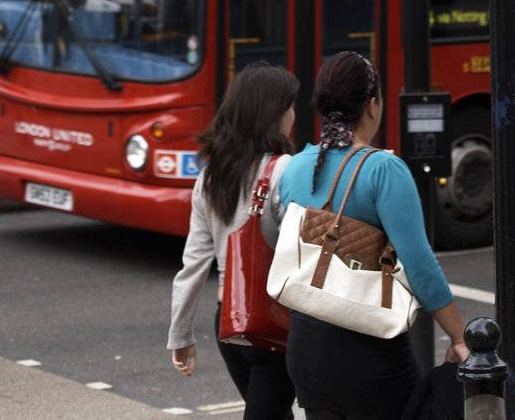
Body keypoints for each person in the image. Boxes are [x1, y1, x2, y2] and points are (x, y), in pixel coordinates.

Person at [277, 51, 470, 420]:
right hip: (366, 349)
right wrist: (460, 336)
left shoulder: (295, 167)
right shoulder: (383, 169)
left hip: (305, 348)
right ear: (372, 104)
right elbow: (419, 265)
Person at [168, 62, 300, 420]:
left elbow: (193, 263)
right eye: (290, 105)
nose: (293, 115)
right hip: (274, 323)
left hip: (228, 324)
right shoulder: (285, 168)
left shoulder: (211, 175)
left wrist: (181, 336)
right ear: (272, 114)